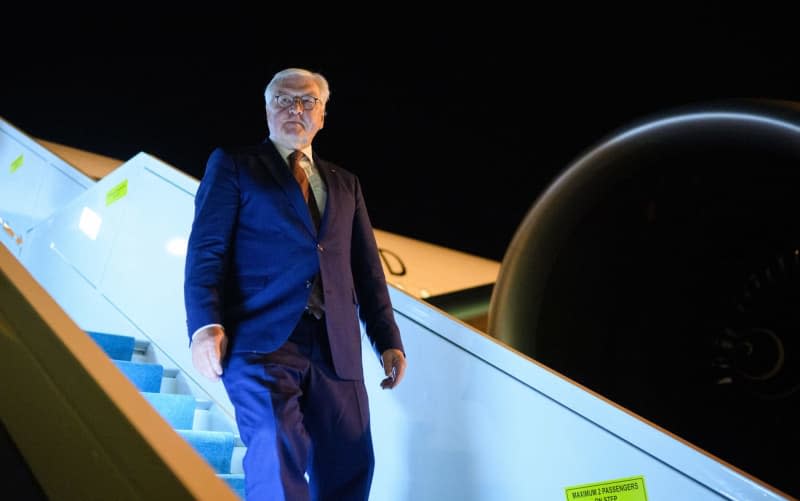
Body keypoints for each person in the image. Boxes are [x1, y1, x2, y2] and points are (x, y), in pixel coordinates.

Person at [184, 67, 407, 501]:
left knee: (351, 462)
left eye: (307, 102)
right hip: (261, 340)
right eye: (284, 100)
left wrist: (387, 340)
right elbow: (206, 252)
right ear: (267, 110)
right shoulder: (233, 166)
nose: (295, 110)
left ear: (323, 115)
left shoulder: (346, 184)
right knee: (276, 442)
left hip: (335, 347)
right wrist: (204, 326)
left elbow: (366, 272)